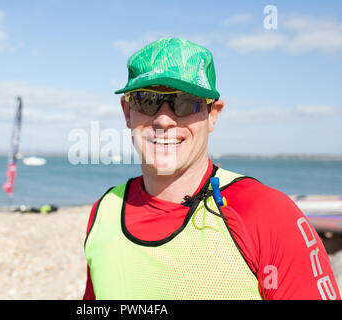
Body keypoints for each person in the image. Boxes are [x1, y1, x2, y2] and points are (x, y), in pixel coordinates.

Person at [82, 38, 340, 300]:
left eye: (183, 101)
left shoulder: (266, 213)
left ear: (212, 114)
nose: (163, 119)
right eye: (146, 100)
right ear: (127, 112)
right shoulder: (105, 211)